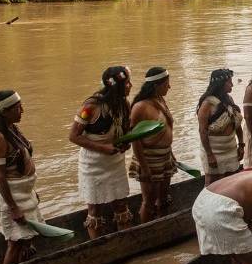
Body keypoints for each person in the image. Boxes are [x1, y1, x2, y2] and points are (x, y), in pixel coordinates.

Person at [68, 66, 134, 239]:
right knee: (95, 209)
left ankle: (126, 243)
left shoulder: (124, 104)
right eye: (127, 83)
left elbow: (126, 131)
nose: (131, 86)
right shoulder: (90, 106)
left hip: (115, 162)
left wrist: (126, 142)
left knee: (121, 205)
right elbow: (73, 136)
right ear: (117, 86)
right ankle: (98, 246)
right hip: (93, 164)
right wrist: (103, 148)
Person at [0, 89, 46, 264]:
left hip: (25, 193)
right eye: (18, 108)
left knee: (26, 241)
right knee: (15, 243)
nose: (22, 111)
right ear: (4, 111)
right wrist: (13, 208)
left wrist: (32, 192)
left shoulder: (12, 128)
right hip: (13, 198)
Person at [129, 67, 177, 223]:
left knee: (164, 197)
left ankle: (161, 225)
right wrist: (144, 166)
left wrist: (171, 153)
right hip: (149, 159)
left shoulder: (160, 100)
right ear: (156, 85)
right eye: (166, 84)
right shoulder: (140, 107)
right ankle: (146, 231)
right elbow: (135, 139)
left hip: (165, 156)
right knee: (149, 201)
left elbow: (168, 127)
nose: (169, 87)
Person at [197, 68, 245, 184]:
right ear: (221, 84)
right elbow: (202, 131)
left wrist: (241, 145)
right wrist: (209, 155)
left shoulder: (229, 99)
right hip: (215, 151)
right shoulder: (207, 104)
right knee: (213, 184)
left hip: (231, 149)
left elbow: (236, 125)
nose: (232, 84)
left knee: (232, 182)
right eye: (229, 82)